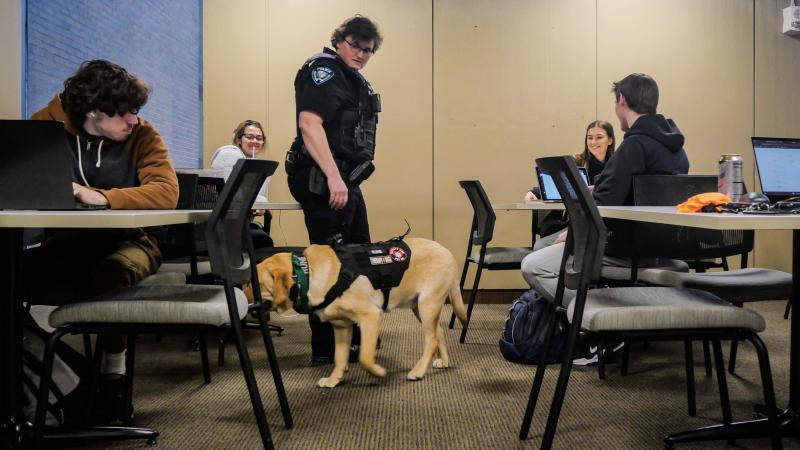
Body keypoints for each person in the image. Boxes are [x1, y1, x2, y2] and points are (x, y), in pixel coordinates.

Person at [26, 59, 179, 420]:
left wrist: (103, 196)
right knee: (12, 278)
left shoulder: (143, 135)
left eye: (135, 111)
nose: (133, 120)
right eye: (125, 113)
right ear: (94, 112)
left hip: (131, 242)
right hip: (64, 244)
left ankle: (114, 368)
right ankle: (49, 376)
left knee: (111, 274)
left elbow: (166, 192)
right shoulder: (41, 129)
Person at [520, 73, 689, 365]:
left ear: (622, 100)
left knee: (533, 266)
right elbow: (640, 192)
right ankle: (611, 321)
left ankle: (608, 327)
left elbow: (602, 204)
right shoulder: (677, 150)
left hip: (625, 250)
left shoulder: (634, 146)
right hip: (663, 249)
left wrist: (575, 234)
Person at [285, 15, 383, 365]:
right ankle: (326, 348)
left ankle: (354, 338)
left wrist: (343, 178)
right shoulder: (323, 71)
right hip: (323, 178)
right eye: (355, 45)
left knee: (357, 258)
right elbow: (310, 125)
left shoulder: (351, 78)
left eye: (368, 50)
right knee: (328, 264)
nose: (360, 53)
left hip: (344, 179)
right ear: (340, 40)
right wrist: (332, 177)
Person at [524, 120, 616, 249]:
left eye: (599, 137)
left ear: (610, 140)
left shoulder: (617, 166)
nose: (593, 142)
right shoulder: (576, 162)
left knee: (542, 247)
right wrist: (534, 192)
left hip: (607, 224)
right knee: (540, 246)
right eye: (590, 138)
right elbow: (557, 182)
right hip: (577, 220)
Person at [210, 119, 273, 248]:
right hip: (222, 225)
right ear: (238, 139)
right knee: (263, 242)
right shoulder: (228, 154)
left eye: (259, 138)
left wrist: (260, 206)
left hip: (240, 222)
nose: (254, 141)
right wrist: (263, 203)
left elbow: (254, 200)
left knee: (263, 241)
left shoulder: (259, 164)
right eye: (249, 137)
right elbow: (231, 193)